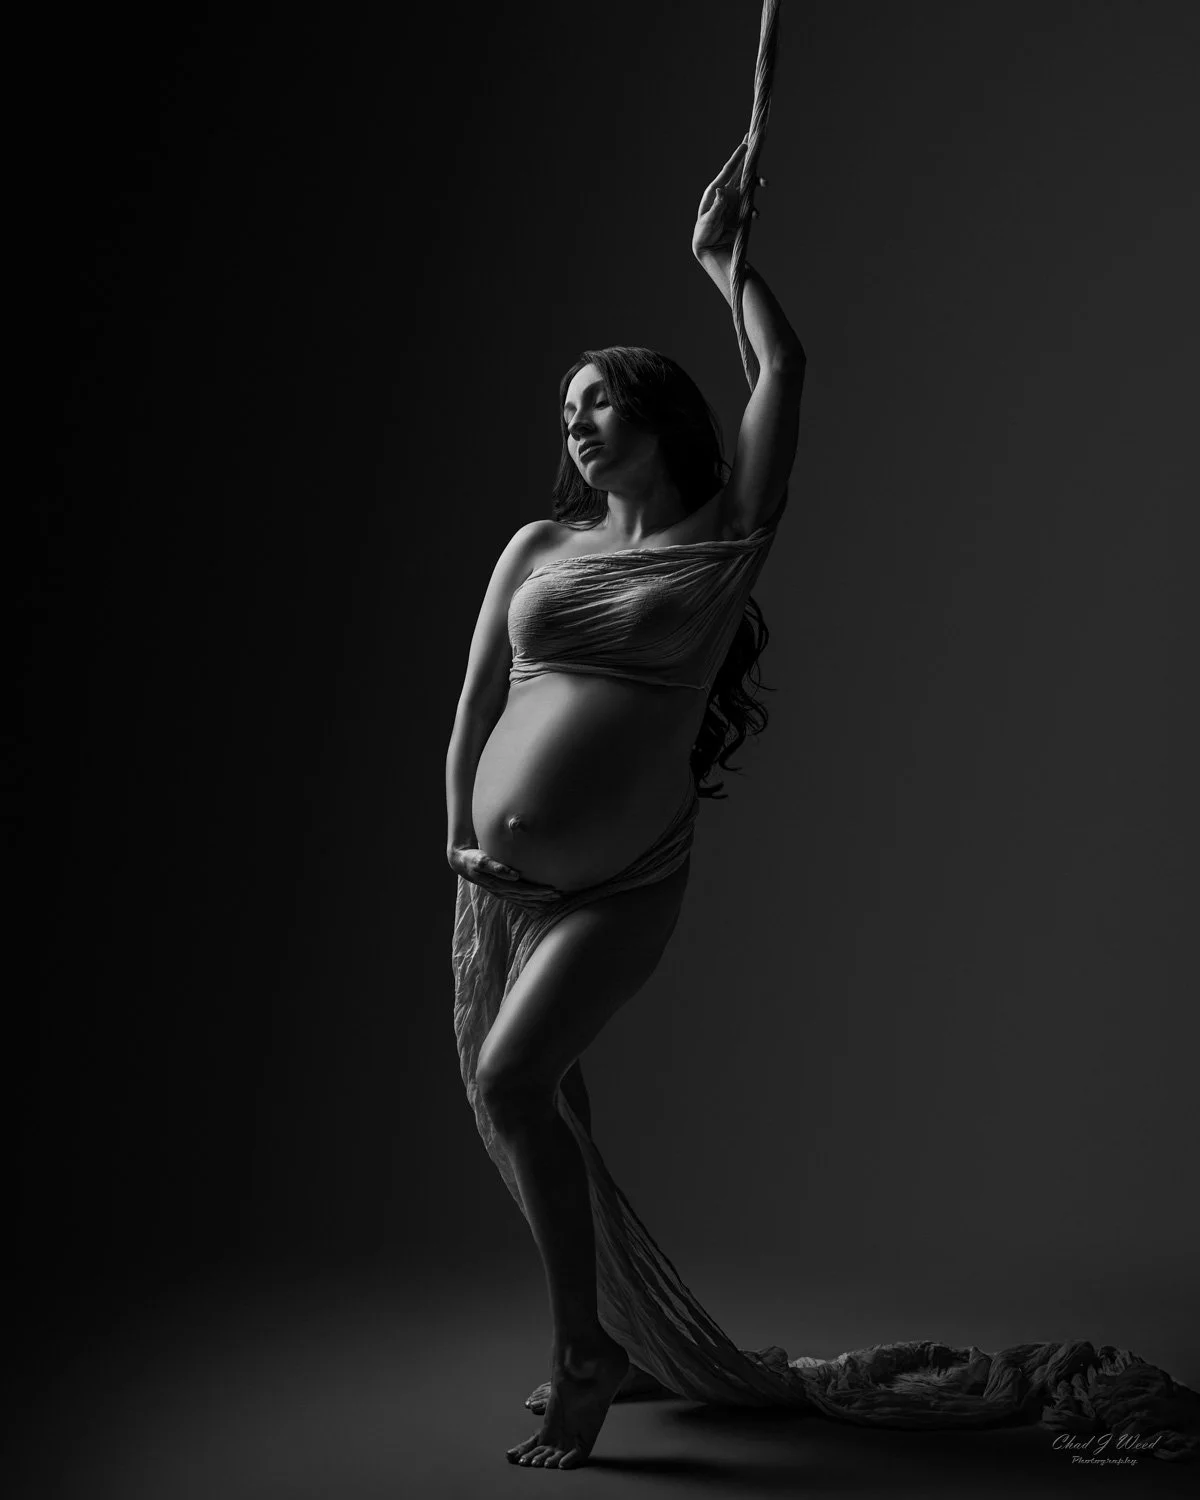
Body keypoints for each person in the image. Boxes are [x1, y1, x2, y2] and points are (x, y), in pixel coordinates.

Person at [445, 138, 805, 1471]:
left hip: (623, 882)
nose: (578, 424)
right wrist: (458, 836)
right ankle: (633, 1340)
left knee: (514, 1080)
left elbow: (785, 373)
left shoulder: (724, 539)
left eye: (600, 402)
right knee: (559, 1115)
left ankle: (584, 1353)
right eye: (567, 412)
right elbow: (474, 703)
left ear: (659, 414)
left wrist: (723, 265)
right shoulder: (539, 547)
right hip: (499, 886)